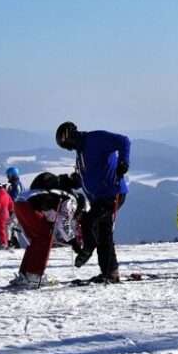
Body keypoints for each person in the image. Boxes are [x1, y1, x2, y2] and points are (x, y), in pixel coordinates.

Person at [56, 121, 131, 284]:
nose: (69, 148)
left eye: (67, 144)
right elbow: (87, 177)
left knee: (89, 220)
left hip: (113, 192)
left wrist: (124, 162)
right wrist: (71, 182)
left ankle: (88, 249)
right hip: (99, 197)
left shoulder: (95, 139)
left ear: (71, 135)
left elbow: (124, 141)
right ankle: (110, 272)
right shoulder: (80, 152)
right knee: (104, 235)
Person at [9, 171, 84, 288]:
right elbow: (63, 223)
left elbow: (50, 216)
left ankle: (25, 274)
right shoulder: (72, 201)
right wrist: (73, 242)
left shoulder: (59, 191)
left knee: (37, 238)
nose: (77, 217)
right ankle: (34, 275)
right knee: (45, 237)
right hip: (28, 206)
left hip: (20, 202)